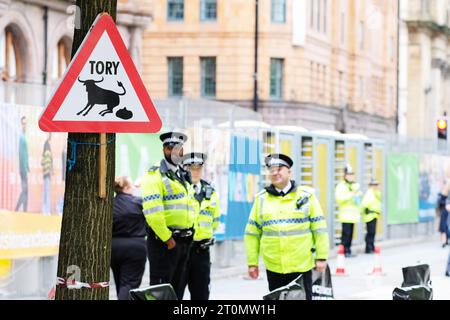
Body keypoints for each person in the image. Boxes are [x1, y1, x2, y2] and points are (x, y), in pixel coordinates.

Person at [244, 154, 329, 300]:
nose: (275, 173)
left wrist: (321, 257)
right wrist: (252, 263)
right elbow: (252, 233)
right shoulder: (261, 199)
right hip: (274, 266)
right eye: (272, 170)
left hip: (301, 266)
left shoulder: (306, 197)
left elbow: (319, 228)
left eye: (279, 169)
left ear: (289, 171)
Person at [140, 131, 196, 300]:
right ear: (164, 149)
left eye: (177, 148)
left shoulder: (183, 174)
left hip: (184, 241)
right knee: (161, 292)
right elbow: (152, 212)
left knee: (177, 291)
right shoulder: (154, 174)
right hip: (164, 243)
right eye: (169, 147)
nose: (173, 151)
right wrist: (168, 239)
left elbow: (191, 207)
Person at [179, 152, 221, 300]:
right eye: (191, 168)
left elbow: (215, 220)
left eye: (198, 168)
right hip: (180, 248)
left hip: (201, 250)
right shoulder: (179, 188)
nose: (195, 172)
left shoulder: (211, 191)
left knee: (201, 294)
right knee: (175, 293)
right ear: (184, 169)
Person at [110, 176, 147, 300]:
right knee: (129, 284)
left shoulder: (110, 205)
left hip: (113, 248)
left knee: (120, 283)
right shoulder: (138, 202)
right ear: (126, 188)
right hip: (135, 248)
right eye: (132, 186)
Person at [335, 164, 362, 257]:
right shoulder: (341, 186)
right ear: (345, 175)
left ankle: (348, 250)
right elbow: (339, 199)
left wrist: (358, 196)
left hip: (354, 215)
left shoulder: (355, 185)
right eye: (349, 174)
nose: (351, 176)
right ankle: (344, 251)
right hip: (346, 215)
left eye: (352, 174)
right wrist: (351, 195)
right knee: (345, 235)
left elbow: (358, 200)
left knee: (350, 235)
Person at [361, 178, 382, 254]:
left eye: (377, 184)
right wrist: (366, 211)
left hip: (374, 215)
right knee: (370, 232)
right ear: (371, 185)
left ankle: (371, 247)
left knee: (372, 233)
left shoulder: (375, 193)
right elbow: (364, 204)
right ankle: (368, 248)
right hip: (369, 215)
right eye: (374, 185)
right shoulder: (369, 193)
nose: (375, 186)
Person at [15, 116, 29, 212]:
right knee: (25, 190)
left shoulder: (24, 136)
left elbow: (25, 153)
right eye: (23, 123)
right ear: (21, 125)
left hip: (24, 168)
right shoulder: (21, 137)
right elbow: (20, 154)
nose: (25, 125)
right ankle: (20, 209)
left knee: (25, 190)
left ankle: (22, 210)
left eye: (26, 123)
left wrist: (27, 166)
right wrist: (23, 167)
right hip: (22, 168)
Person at [41, 133, 53, 215]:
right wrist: (49, 170)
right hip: (47, 173)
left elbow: (43, 162)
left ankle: (45, 210)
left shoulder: (45, 150)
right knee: (47, 192)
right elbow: (48, 162)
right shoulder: (47, 149)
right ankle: (47, 210)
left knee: (45, 192)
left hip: (46, 173)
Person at [437, 182, 450, 248]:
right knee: (444, 226)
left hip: (445, 211)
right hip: (444, 211)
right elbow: (439, 203)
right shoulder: (442, 195)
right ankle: (444, 241)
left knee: (445, 226)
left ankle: (445, 241)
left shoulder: (445, 195)